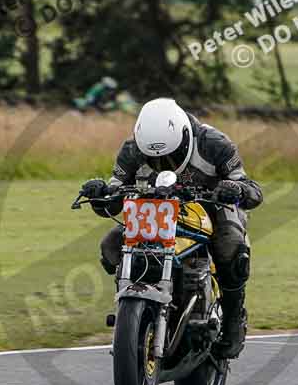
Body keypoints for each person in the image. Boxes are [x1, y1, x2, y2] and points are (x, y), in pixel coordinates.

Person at [79, 98, 263, 359]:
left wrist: (235, 189)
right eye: (154, 159)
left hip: (210, 207)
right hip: (156, 210)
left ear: (186, 138)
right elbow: (115, 197)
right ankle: (129, 314)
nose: (163, 163)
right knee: (110, 246)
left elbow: (253, 190)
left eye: (170, 156)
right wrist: (100, 195)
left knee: (232, 246)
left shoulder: (214, 143)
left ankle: (234, 320)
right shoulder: (132, 150)